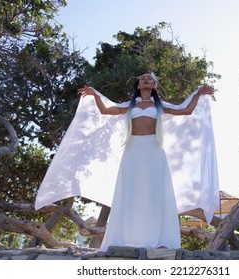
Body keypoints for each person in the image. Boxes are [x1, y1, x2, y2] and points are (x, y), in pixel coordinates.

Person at [34, 73, 220, 251]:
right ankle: (127, 237)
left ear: (154, 86)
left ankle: (160, 238)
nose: (146, 80)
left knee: (155, 192)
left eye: (150, 79)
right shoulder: (130, 106)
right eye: (143, 79)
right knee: (131, 191)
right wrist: (95, 94)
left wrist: (198, 93)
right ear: (138, 85)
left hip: (154, 150)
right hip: (132, 151)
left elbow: (186, 110)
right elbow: (105, 110)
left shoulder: (160, 105)